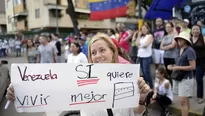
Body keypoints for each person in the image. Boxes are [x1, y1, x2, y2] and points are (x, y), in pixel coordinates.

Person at [6, 33, 150, 116]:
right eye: (93, 53)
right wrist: (21, 91)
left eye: (102, 50)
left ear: (113, 52)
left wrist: (142, 99)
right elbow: (52, 93)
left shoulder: (128, 77)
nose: (97, 56)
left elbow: (137, 112)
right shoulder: (80, 80)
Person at [168, 32, 196, 116]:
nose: (179, 40)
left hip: (186, 78)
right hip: (178, 77)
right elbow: (178, 63)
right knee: (185, 100)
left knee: (183, 101)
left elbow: (193, 67)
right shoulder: (178, 49)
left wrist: (176, 68)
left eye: (181, 39)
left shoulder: (190, 50)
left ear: (186, 40)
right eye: (178, 39)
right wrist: (172, 66)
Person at [190, 25, 205, 104]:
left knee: (199, 79)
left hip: (201, 62)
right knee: (189, 78)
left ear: (200, 31)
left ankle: (200, 97)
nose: (195, 31)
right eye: (194, 29)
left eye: (197, 29)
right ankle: (188, 93)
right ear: (191, 30)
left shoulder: (203, 38)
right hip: (191, 62)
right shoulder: (189, 39)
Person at [135, 24, 154, 89]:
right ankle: (146, 85)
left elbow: (146, 45)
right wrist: (139, 35)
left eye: (144, 28)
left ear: (148, 29)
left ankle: (151, 85)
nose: (143, 30)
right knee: (142, 71)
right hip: (140, 55)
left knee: (146, 71)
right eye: (142, 29)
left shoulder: (149, 36)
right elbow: (136, 43)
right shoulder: (141, 37)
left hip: (146, 56)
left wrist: (140, 46)